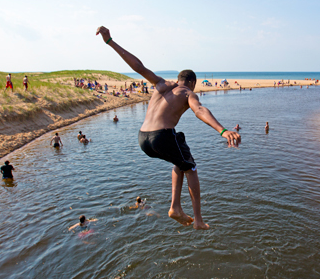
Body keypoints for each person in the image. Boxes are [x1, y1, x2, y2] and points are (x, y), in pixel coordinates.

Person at [97, 26, 241, 230]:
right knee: (191, 167)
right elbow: (199, 110)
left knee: (180, 160)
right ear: (191, 82)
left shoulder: (161, 84)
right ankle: (198, 220)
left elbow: (138, 66)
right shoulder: (187, 93)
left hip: (142, 139)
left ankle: (175, 208)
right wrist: (222, 130)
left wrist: (109, 41)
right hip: (162, 136)